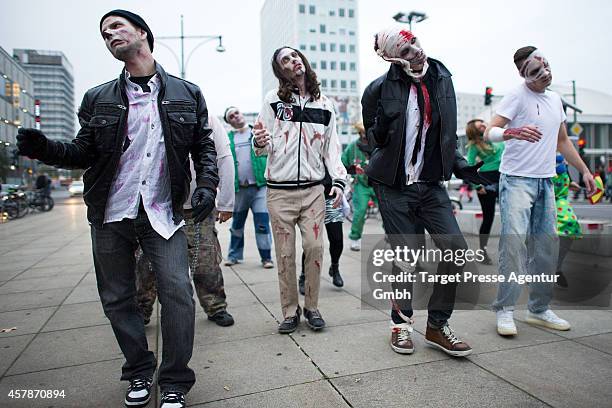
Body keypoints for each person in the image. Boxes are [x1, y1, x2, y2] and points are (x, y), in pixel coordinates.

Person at [16, 10, 218, 408]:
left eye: (116, 28)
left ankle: (175, 380)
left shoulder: (186, 93)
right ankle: (139, 371)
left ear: (142, 32)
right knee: (116, 297)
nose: (109, 35)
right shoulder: (98, 98)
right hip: (111, 212)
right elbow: (82, 152)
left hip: (162, 212)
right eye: (104, 33)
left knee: (178, 293)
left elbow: (203, 147)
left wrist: (208, 186)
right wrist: (44, 149)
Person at [362, 27, 489, 357]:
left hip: (431, 185)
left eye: (414, 44)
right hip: (394, 187)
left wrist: (463, 167)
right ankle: (401, 326)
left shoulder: (442, 79)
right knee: (406, 259)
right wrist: (383, 128)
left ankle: (436, 325)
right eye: (405, 51)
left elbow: (446, 134)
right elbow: (373, 143)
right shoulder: (378, 89)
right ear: (392, 58)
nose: (415, 52)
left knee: (456, 251)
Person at [485, 46, 595, 337]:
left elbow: (562, 140)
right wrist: (511, 132)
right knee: (514, 245)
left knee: (547, 248)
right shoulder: (516, 96)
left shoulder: (555, 99)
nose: (545, 74)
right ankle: (505, 310)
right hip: (517, 180)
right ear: (524, 74)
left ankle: (538, 309)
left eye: (546, 67)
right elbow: (490, 131)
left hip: (546, 181)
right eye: (536, 72)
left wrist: (584, 170)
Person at [253, 46, 347, 334]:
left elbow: (332, 148)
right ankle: (290, 311)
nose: (292, 61)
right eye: (285, 59)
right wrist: (259, 141)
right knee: (284, 254)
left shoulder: (325, 105)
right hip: (279, 192)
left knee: (315, 247)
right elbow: (262, 145)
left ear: (303, 61)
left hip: (313, 191)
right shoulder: (273, 101)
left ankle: (313, 307)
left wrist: (340, 181)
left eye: (294, 56)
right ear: (280, 71)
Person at [135, 114, 236, 327]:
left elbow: (224, 158)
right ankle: (141, 309)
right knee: (146, 264)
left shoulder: (207, 116)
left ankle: (215, 306)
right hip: (157, 207)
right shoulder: (150, 112)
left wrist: (227, 202)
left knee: (205, 262)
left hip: (198, 206)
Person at [223, 106, 274, 268]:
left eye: (236, 113)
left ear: (242, 113)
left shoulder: (257, 132)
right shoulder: (228, 139)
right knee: (237, 224)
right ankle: (234, 255)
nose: (235, 117)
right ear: (229, 122)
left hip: (260, 187)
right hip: (240, 190)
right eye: (231, 116)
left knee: (262, 223)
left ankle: (266, 257)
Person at [298, 167, 345, 295]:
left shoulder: (330, 148)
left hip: (331, 198)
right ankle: (304, 275)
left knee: (337, 239)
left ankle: (334, 267)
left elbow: (339, 166)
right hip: (311, 199)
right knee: (311, 242)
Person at [465, 119, 505, 264]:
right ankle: (482, 252)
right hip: (486, 184)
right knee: (489, 218)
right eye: (480, 126)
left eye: (483, 122)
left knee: (512, 215)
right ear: (476, 131)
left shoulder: (496, 137)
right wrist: (477, 186)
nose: (484, 124)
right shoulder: (474, 146)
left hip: (504, 180)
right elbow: (468, 167)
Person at [342, 122, 377, 252]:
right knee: (360, 211)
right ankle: (355, 238)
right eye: (363, 132)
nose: (365, 135)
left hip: (379, 183)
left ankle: (390, 236)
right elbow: (342, 162)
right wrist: (352, 170)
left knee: (389, 212)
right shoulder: (353, 147)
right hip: (361, 184)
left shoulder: (378, 144)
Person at [553, 153, 582, 288]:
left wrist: (570, 183)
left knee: (570, 224)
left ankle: (557, 268)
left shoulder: (562, 155)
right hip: (540, 198)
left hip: (559, 200)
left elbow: (565, 175)